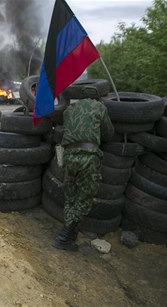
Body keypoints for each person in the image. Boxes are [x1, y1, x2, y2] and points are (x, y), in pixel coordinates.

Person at [53, 86, 114, 251]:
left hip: (69, 156)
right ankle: (64, 237)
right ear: (97, 98)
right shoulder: (100, 107)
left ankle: (70, 236)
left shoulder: (69, 110)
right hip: (88, 157)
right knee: (84, 198)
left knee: (71, 197)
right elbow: (108, 133)